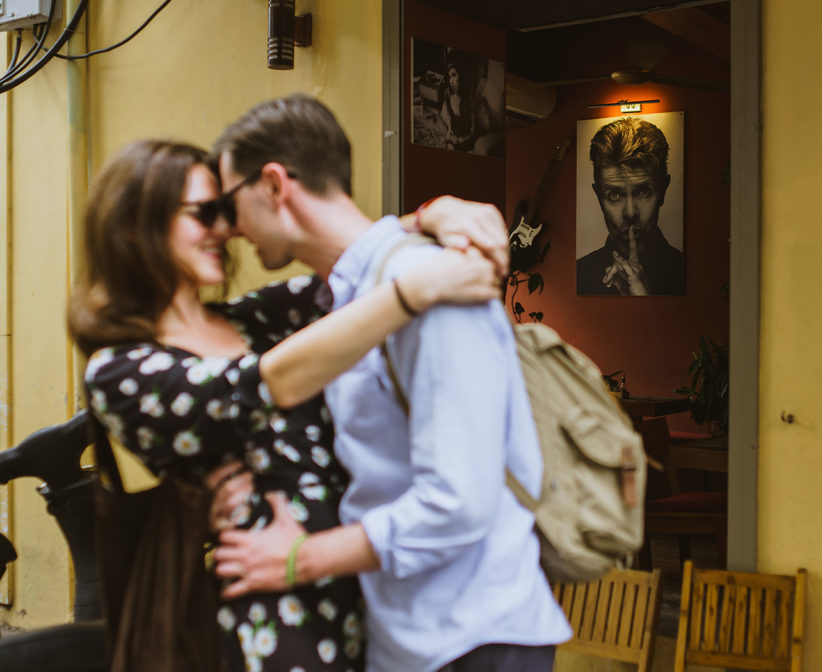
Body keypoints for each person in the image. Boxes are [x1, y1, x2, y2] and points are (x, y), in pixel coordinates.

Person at [67, 139, 508, 672]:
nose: (225, 230)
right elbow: (258, 384)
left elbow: (355, 263)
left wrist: (437, 213)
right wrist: (412, 292)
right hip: (269, 613)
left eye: (227, 212)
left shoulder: (253, 320)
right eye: (205, 213)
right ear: (135, 225)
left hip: (368, 595)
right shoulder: (119, 370)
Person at [210, 94, 572, 672]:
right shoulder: (359, 294)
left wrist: (300, 558)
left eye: (230, 205)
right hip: (416, 633)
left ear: (275, 185)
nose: (228, 230)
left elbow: (458, 502)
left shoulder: (429, 283)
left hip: (474, 638)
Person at [576, 116, 684, 296]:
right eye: (614, 195)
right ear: (598, 197)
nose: (631, 213)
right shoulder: (581, 273)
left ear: (663, 190)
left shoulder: (685, 271)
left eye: (643, 191)